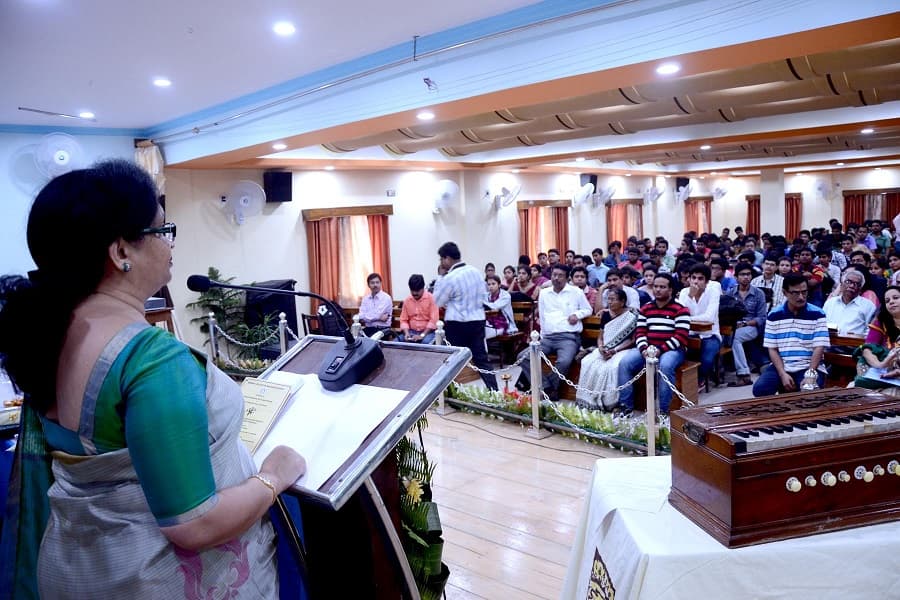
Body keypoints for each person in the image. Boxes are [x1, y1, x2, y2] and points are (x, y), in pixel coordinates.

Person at [0, 160, 306, 597]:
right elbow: (195, 524)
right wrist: (274, 475)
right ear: (121, 251)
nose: (169, 244)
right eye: (162, 230)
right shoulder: (152, 360)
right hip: (158, 580)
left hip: (79, 568)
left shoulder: (51, 336)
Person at [616, 274, 691, 414]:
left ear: (670, 290)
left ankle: (663, 411)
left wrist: (660, 350)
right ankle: (625, 406)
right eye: (656, 286)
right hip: (648, 348)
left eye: (662, 287)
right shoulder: (646, 308)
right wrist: (644, 349)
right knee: (624, 363)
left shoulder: (681, 308)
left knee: (666, 365)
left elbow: (681, 336)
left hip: (672, 349)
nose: (657, 290)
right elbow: (640, 332)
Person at [516, 265, 592, 401]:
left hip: (568, 337)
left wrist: (577, 314)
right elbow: (543, 318)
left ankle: (548, 388)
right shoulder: (545, 293)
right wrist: (542, 338)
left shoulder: (575, 292)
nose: (556, 278)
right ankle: (548, 388)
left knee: (564, 361)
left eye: (560, 275)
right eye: (554, 275)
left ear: (567, 277)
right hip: (548, 338)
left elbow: (588, 309)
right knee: (523, 357)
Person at [433, 241, 497, 389]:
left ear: (448, 258)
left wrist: (440, 277)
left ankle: (451, 392)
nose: (442, 263)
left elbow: (438, 301)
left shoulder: (449, 277)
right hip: (477, 320)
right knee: (481, 359)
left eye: (442, 259)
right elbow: (484, 295)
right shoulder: (475, 271)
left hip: (458, 323)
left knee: (452, 359)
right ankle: (495, 392)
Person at [752, 274, 829, 396]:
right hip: (782, 365)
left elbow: (819, 347)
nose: (801, 297)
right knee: (760, 389)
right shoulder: (774, 315)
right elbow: (772, 349)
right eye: (795, 293)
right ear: (785, 293)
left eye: (804, 292)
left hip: (808, 366)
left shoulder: (817, 314)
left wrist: (811, 372)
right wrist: (782, 373)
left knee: (809, 392)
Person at [575, 288, 637, 410]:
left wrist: (615, 350)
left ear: (622, 301)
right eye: (608, 299)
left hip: (623, 349)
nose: (609, 302)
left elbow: (632, 340)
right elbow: (600, 336)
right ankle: (587, 400)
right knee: (587, 362)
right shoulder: (606, 314)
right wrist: (601, 347)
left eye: (613, 299)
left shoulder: (632, 316)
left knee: (611, 367)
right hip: (606, 347)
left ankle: (609, 402)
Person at [678, 263, 722, 388]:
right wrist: (690, 296)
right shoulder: (684, 292)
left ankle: (699, 381)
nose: (696, 281)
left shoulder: (713, 292)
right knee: (680, 355)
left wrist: (687, 319)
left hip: (710, 334)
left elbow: (709, 317)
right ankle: (686, 382)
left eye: (700, 278)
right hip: (689, 334)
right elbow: (679, 313)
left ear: (707, 281)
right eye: (693, 278)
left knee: (707, 360)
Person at [726, 263, 769, 387]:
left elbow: (762, 317)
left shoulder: (758, 293)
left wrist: (745, 323)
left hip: (752, 326)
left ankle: (744, 375)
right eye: (742, 274)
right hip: (733, 325)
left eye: (748, 274)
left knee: (736, 338)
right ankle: (719, 372)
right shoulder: (730, 293)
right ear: (736, 277)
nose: (746, 277)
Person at [852, 286, 900, 393]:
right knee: (853, 391)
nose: (891, 302)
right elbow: (867, 349)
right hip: (880, 373)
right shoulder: (880, 322)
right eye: (887, 301)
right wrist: (881, 364)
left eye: (895, 298)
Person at [822, 269, 876, 336]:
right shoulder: (830, 303)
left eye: (856, 284)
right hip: (830, 342)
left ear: (860, 288)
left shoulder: (868, 306)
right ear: (841, 284)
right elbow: (822, 324)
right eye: (848, 282)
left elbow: (870, 330)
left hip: (855, 344)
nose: (852, 286)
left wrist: (858, 337)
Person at [398, 273, 439, 344]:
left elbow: (433, 321)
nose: (414, 293)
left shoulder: (431, 299)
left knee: (425, 343)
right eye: (412, 290)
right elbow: (403, 320)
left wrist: (422, 335)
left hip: (428, 332)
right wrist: (406, 333)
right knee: (396, 342)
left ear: (423, 288)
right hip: (411, 331)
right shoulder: (407, 300)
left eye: (417, 291)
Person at [358, 272, 393, 337]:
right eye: (372, 283)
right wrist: (378, 318)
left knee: (370, 342)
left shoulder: (386, 298)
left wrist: (367, 317)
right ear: (368, 285)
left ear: (381, 283)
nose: (375, 285)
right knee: (355, 340)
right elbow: (361, 316)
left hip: (382, 329)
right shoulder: (365, 299)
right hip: (369, 329)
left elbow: (378, 313)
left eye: (377, 282)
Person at [484, 274, 517, 339]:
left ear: (499, 285)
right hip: (489, 323)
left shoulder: (505, 295)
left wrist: (483, 304)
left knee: (483, 334)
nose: (491, 286)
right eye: (489, 284)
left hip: (503, 323)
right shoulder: (486, 295)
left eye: (493, 284)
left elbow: (494, 306)